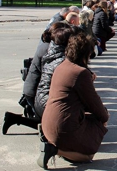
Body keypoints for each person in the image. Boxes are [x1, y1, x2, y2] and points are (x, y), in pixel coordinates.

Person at [38, 32, 109, 169]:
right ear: (86, 54)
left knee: (90, 119)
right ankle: (55, 150)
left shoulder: (63, 65)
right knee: (88, 155)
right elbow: (94, 104)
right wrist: (104, 117)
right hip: (63, 126)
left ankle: (59, 145)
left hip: (49, 121)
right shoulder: (80, 73)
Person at [2, 23, 69, 135]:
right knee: (46, 123)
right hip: (34, 89)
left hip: (33, 87)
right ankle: (14, 118)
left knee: (44, 119)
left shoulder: (48, 46)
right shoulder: (49, 49)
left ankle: (16, 118)